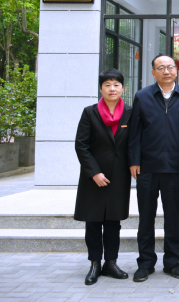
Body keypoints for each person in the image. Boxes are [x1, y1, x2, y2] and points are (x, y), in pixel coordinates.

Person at [128, 55, 179, 282]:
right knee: (146, 218)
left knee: (173, 218)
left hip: (175, 170)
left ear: (176, 70)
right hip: (147, 168)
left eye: (170, 67)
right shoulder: (142, 96)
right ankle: (145, 263)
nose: (166, 71)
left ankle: (172, 262)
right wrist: (134, 161)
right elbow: (135, 132)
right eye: (161, 68)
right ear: (153, 72)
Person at [74, 69, 132, 285]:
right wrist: (94, 172)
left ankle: (111, 262)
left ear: (123, 88)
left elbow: (134, 142)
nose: (112, 89)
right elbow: (81, 145)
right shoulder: (90, 112)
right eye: (107, 85)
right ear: (101, 89)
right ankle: (95, 264)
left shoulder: (130, 112)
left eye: (116, 85)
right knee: (93, 221)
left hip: (119, 176)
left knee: (113, 222)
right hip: (93, 177)